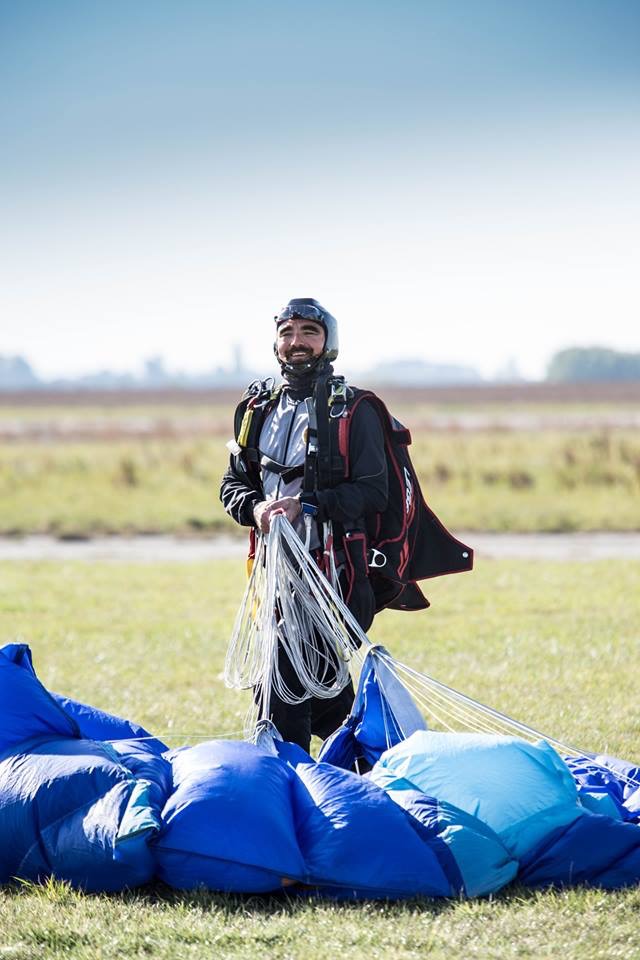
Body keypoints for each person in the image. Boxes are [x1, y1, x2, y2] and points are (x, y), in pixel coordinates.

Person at [220, 297, 389, 751]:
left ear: (327, 343)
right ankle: (361, 767)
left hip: (332, 571)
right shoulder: (256, 408)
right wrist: (256, 508)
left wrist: (308, 505)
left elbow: (375, 492)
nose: (297, 343)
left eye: (309, 333)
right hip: (272, 573)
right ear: (276, 343)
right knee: (324, 689)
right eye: (287, 333)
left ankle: (285, 779)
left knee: (283, 684)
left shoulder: (353, 410)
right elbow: (232, 486)